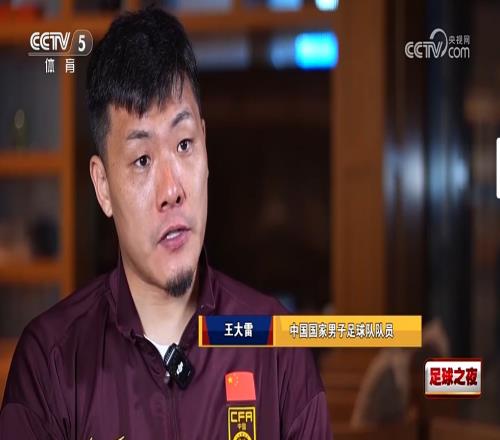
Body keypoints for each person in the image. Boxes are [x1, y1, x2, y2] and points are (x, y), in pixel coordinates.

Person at [0, 8, 332, 439]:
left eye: (185, 144)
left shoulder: (276, 351)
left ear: (206, 150)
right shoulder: (50, 364)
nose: (172, 190)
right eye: (142, 160)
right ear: (103, 186)